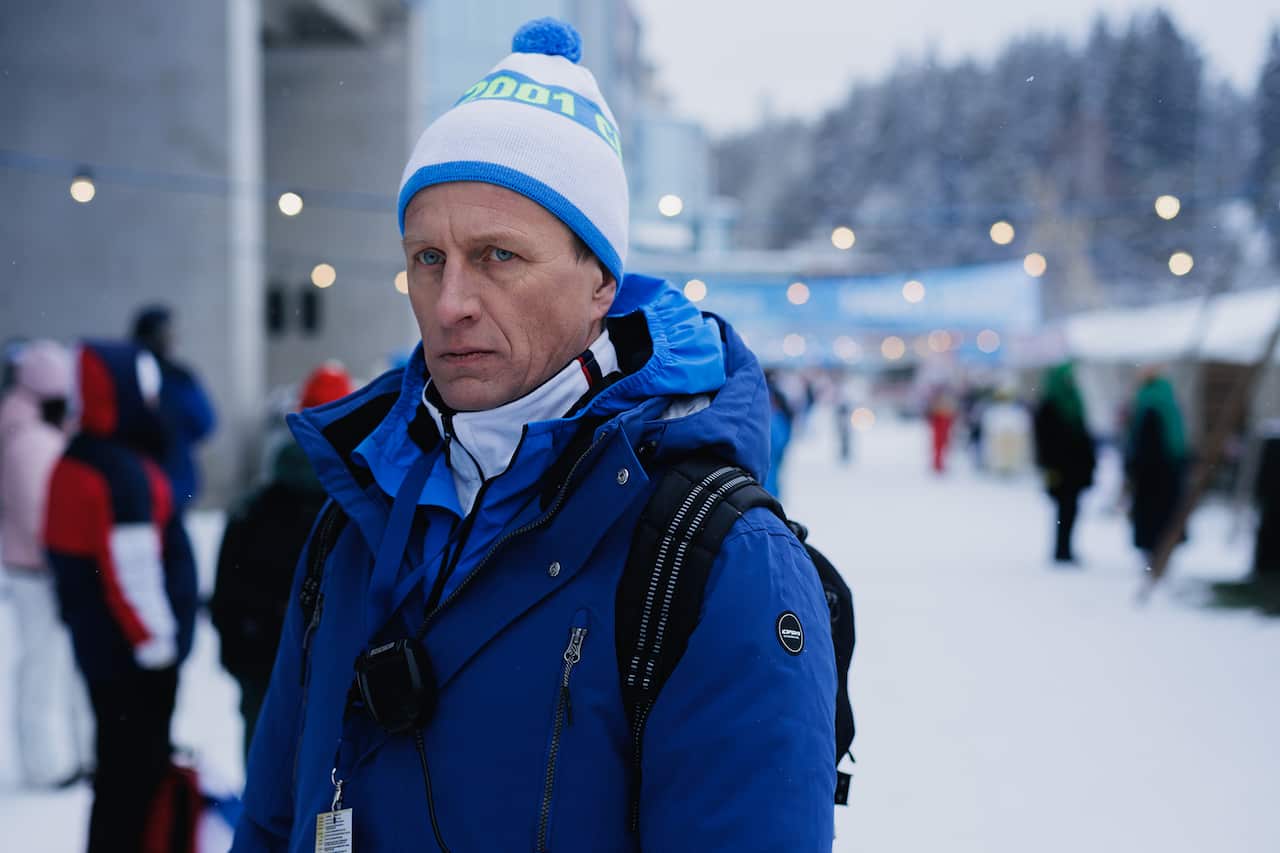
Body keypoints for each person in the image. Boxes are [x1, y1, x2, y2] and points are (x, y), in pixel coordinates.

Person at [233, 19, 835, 853]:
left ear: (600, 282)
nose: (450, 304)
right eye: (427, 259)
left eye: (498, 256)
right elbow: (270, 822)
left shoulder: (714, 558)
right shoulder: (356, 517)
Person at [45, 341, 198, 853]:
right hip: (132, 663)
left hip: (104, 654)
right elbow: (130, 575)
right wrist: (159, 653)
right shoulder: (118, 471)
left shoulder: (83, 456)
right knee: (133, 781)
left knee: (117, 778)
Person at [212, 362, 354, 761]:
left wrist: (244, 656)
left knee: (265, 767)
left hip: (262, 666)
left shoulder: (253, 509)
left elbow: (227, 599)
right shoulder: (359, 510)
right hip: (335, 677)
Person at [0, 340, 93, 788]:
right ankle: (45, 764)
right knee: (43, 666)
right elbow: (42, 514)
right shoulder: (29, 439)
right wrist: (71, 560)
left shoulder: (29, 428)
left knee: (51, 665)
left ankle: (59, 756)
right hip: (39, 571)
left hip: (39, 568)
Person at [132, 305, 216, 508]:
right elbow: (204, 423)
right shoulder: (179, 378)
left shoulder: (126, 374)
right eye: (167, 333)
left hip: (138, 479)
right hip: (173, 478)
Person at [1032, 364, 1096, 564]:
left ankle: (1066, 547)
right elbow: (1044, 441)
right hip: (1060, 469)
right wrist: (1050, 465)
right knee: (1064, 508)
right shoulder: (1050, 405)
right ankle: (1062, 549)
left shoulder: (1074, 401)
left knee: (1072, 509)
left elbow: (1082, 435)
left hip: (1076, 468)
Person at [1124, 369, 1189, 563]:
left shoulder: (1149, 406)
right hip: (1170, 473)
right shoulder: (1170, 405)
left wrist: (1133, 469)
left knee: (1152, 519)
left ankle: (1154, 555)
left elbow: (1143, 446)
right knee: (1165, 517)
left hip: (1151, 476)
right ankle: (1161, 552)